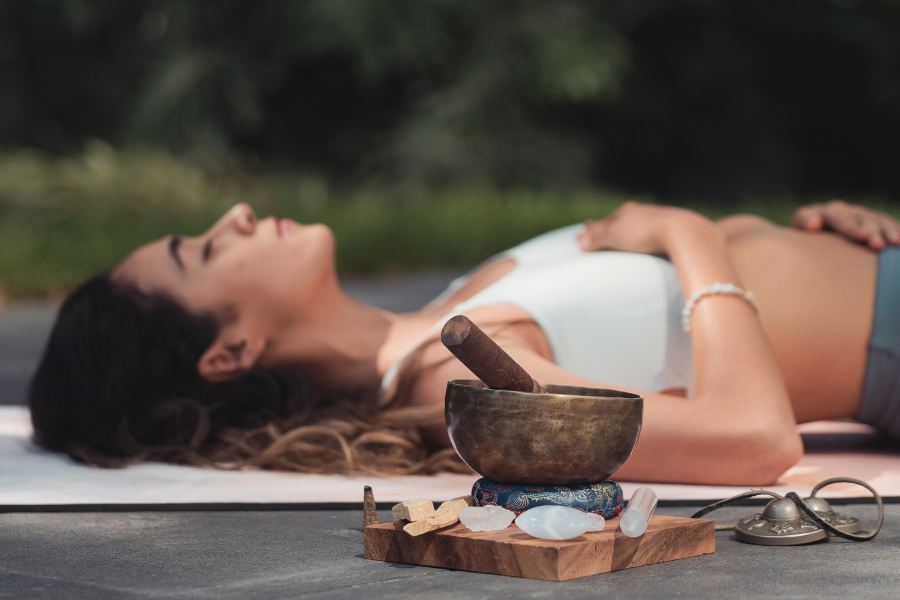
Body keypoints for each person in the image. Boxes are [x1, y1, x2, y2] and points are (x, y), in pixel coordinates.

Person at [28, 200, 900, 485]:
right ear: (228, 354)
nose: (237, 216)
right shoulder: (463, 381)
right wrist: (693, 233)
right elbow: (754, 441)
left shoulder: (443, 312)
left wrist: (793, 232)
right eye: (207, 250)